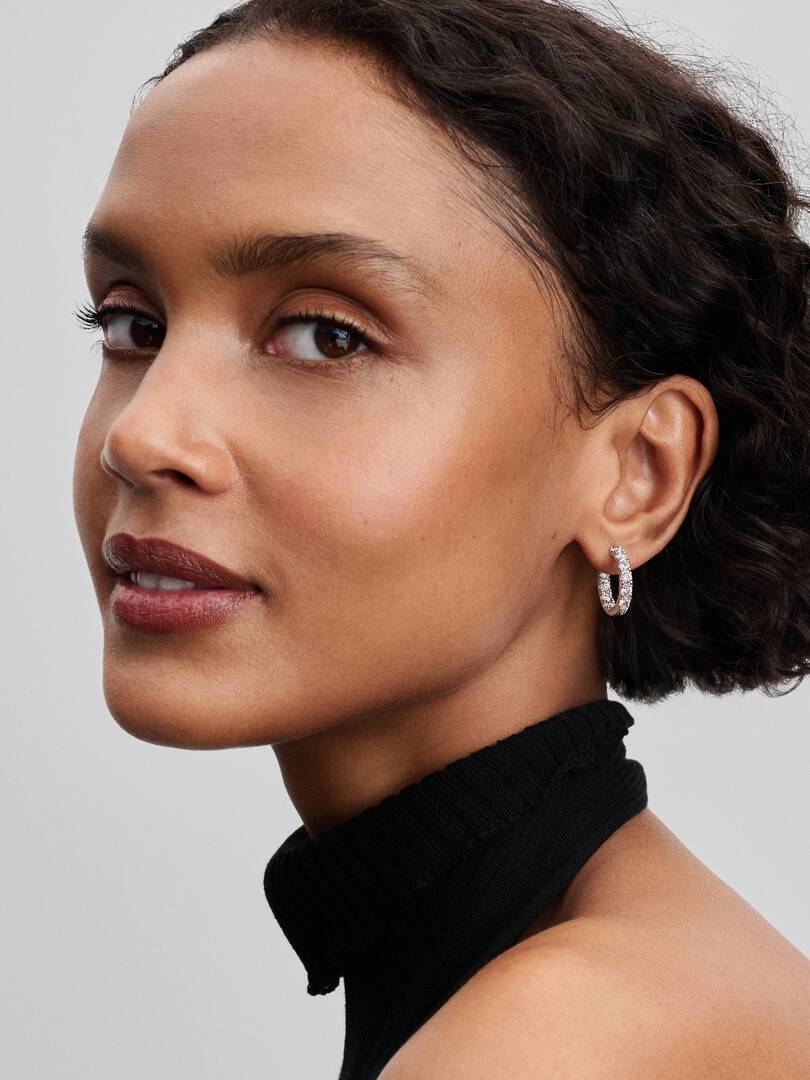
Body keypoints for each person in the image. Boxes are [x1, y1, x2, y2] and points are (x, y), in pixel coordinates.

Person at [72, 1, 810, 1076]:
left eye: (326, 336)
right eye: (133, 324)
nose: (141, 437)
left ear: (637, 475)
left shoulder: (563, 1038)